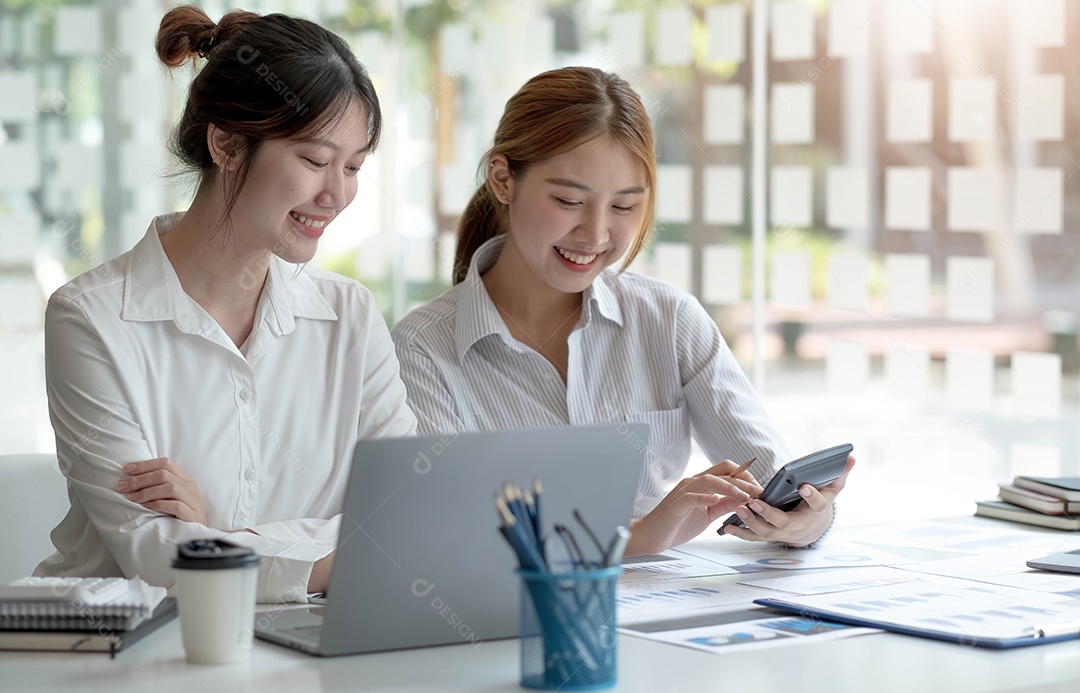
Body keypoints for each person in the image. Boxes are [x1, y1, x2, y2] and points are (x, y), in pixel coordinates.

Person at [35, 6, 415, 603]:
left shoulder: (351, 317)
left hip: (301, 636)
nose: (337, 194)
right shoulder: (91, 318)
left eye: (353, 167)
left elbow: (406, 515)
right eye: (316, 161)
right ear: (227, 144)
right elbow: (157, 555)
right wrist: (327, 553)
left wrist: (219, 539)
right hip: (129, 641)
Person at [391, 67, 854, 556]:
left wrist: (806, 521)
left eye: (624, 207)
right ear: (503, 180)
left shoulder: (669, 320)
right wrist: (637, 537)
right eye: (569, 200)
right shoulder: (422, 349)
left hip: (670, 600)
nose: (595, 235)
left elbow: (774, 480)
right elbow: (444, 542)